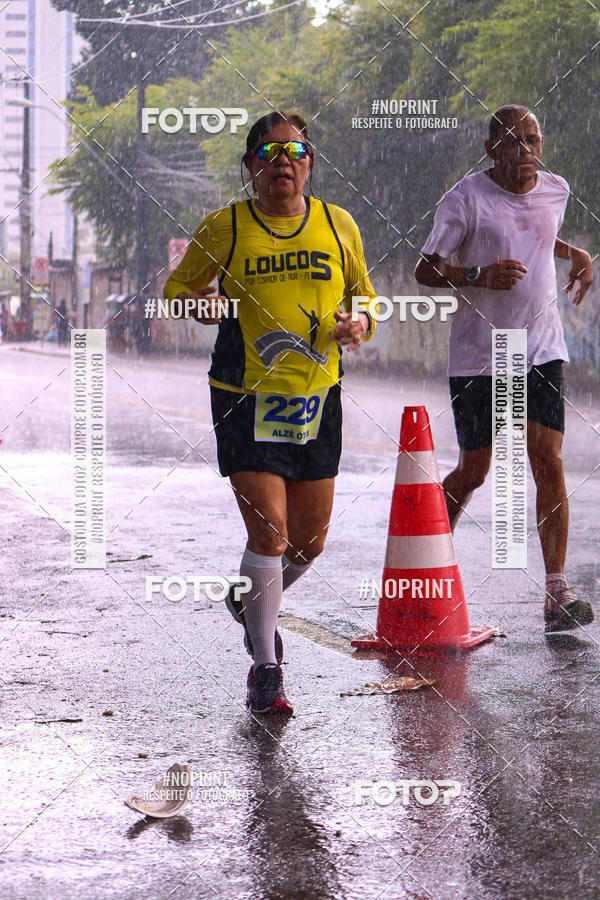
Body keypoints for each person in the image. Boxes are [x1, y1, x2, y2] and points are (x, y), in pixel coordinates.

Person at [164, 110, 376, 713]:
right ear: (251, 164)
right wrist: (200, 307)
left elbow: (366, 298)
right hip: (244, 396)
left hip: (318, 397)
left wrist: (361, 323)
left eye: (297, 150)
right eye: (270, 150)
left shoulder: (339, 226)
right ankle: (265, 667)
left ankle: (251, 597)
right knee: (271, 533)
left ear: (310, 163)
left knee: (308, 544)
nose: (284, 159)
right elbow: (177, 292)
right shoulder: (225, 226)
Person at [415, 104, 594, 634]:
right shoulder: (465, 199)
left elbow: (537, 231)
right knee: (475, 471)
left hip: (541, 348)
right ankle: (424, 569)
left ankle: (557, 591)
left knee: (549, 459)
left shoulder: (555, 189)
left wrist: (576, 252)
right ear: (491, 150)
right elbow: (425, 268)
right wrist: (478, 274)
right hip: (480, 357)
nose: (525, 153)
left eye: (533, 140)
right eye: (513, 143)